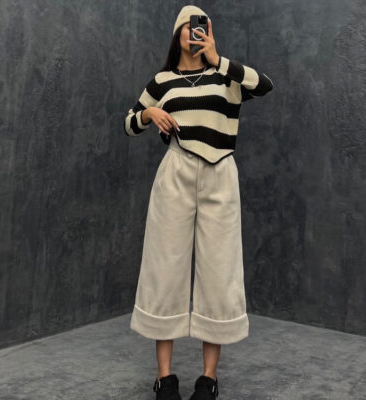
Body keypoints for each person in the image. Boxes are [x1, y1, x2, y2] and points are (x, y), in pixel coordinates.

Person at [124, 5, 274, 400]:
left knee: (219, 271)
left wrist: (218, 58)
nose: (196, 33)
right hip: (175, 172)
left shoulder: (226, 75)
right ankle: (164, 377)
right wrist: (149, 113)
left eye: (203, 27)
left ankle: (209, 378)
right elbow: (129, 122)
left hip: (220, 174)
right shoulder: (162, 81)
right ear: (178, 34)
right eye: (190, 27)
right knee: (164, 268)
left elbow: (265, 85)